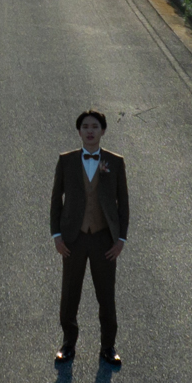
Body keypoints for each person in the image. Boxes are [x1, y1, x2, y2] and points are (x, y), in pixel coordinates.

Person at [46, 110, 129, 368]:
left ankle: (108, 346)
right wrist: (57, 236)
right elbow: (55, 200)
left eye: (95, 126)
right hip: (74, 238)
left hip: (104, 240)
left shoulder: (115, 162)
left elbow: (123, 204)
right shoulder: (67, 161)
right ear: (79, 131)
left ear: (103, 131)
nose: (90, 131)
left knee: (106, 294)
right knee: (70, 293)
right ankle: (68, 344)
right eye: (85, 127)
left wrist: (120, 240)